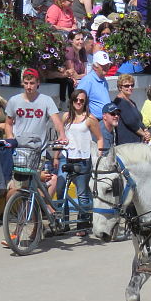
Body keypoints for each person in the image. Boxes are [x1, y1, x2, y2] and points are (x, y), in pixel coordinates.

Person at [4, 72, 67, 199]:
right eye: (26, 83)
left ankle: (36, 215)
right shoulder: (14, 100)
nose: (29, 86)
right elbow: (8, 123)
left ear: (38, 83)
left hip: (39, 152)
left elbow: (56, 120)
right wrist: (10, 137)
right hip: (20, 151)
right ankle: (20, 215)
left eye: (32, 83)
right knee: (18, 187)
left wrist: (62, 135)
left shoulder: (46, 100)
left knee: (35, 187)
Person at [62, 89, 103, 235]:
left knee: (82, 194)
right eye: (76, 100)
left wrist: (98, 155)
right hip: (66, 157)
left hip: (83, 159)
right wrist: (55, 156)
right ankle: (63, 223)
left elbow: (99, 138)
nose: (78, 103)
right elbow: (62, 136)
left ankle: (83, 224)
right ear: (72, 101)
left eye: (82, 100)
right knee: (62, 191)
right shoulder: (66, 117)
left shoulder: (89, 119)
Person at [112, 74, 150, 144]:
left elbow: (138, 120)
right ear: (120, 87)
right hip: (126, 142)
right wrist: (144, 134)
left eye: (132, 85)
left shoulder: (132, 102)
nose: (130, 87)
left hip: (136, 141)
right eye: (126, 86)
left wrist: (145, 130)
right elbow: (130, 122)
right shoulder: (119, 102)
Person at [76, 50, 112, 119]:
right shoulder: (88, 80)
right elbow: (78, 101)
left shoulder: (103, 80)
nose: (106, 67)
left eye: (107, 65)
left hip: (105, 121)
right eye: (103, 65)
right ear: (95, 66)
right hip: (95, 121)